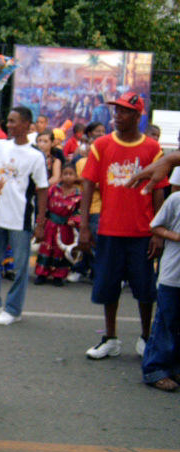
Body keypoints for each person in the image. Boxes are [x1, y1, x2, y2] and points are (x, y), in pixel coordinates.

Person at [80, 92, 166, 360]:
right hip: (109, 229)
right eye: (115, 111)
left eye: (124, 112)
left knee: (144, 289)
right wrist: (84, 226)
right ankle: (110, 338)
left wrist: (157, 231)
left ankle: (145, 337)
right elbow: (88, 185)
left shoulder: (153, 149)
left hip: (141, 232)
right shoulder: (102, 145)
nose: (117, 116)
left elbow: (159, 192)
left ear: (138, 116)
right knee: (108, 286)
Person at [0, 106, 49, 326]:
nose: (8, 125)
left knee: (19, 266)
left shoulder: (35, 156)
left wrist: (40, 223)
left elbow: (42, 190)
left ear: (26, 124)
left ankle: (13, 309)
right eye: (8, 121)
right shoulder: (2, 147)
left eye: (13, 121)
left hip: (21, 219)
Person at [141, 191, 180, 391]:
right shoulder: (176, 200)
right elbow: (155, 226)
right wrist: (175, 236)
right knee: (166, 322)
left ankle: (174, 367)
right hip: (173, 275)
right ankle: (155, 369)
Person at [68, 122, 106, 283]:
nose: (94, 147)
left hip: (99, 207)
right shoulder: (80, 162)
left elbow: (104, 184)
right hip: (81, 207)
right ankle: (81, 268)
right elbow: (73, 180)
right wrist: (85, 181)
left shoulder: (106, 163)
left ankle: (98, 272)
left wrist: (91, 183)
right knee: (82, 241)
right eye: (92, 144)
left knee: (95, 242)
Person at [34, 162, 81, 286]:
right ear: (61, 175)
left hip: (66, 227)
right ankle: (42, 274)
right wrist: (40, 223)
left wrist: (74, 220)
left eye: (71, 174)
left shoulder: (78, 194)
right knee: (46, 248)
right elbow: (44, 206)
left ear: (76, 176)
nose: (68, 177)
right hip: (51, 224)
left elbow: (79, 211)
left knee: (61, 251)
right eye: (65, 174)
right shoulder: (54, 189)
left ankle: (58, 276)